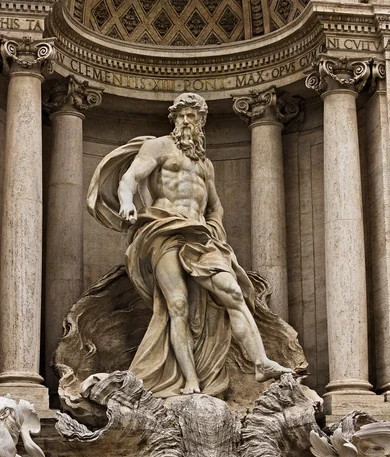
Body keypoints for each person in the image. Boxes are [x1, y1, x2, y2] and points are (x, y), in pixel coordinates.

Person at [87, 92, 292, 397]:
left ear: (201, 122)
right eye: (181, 115)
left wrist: (216, 229)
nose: (186, 120)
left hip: (200, 236)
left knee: (234, 292)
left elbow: (215, 206)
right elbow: (130, 177)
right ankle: (190, 380)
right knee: (178, 306)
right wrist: (128, 202)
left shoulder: (205, 165)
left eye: (192, 116)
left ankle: (261, 362)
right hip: (164, 231)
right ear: (174, 118)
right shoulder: (158, 146)